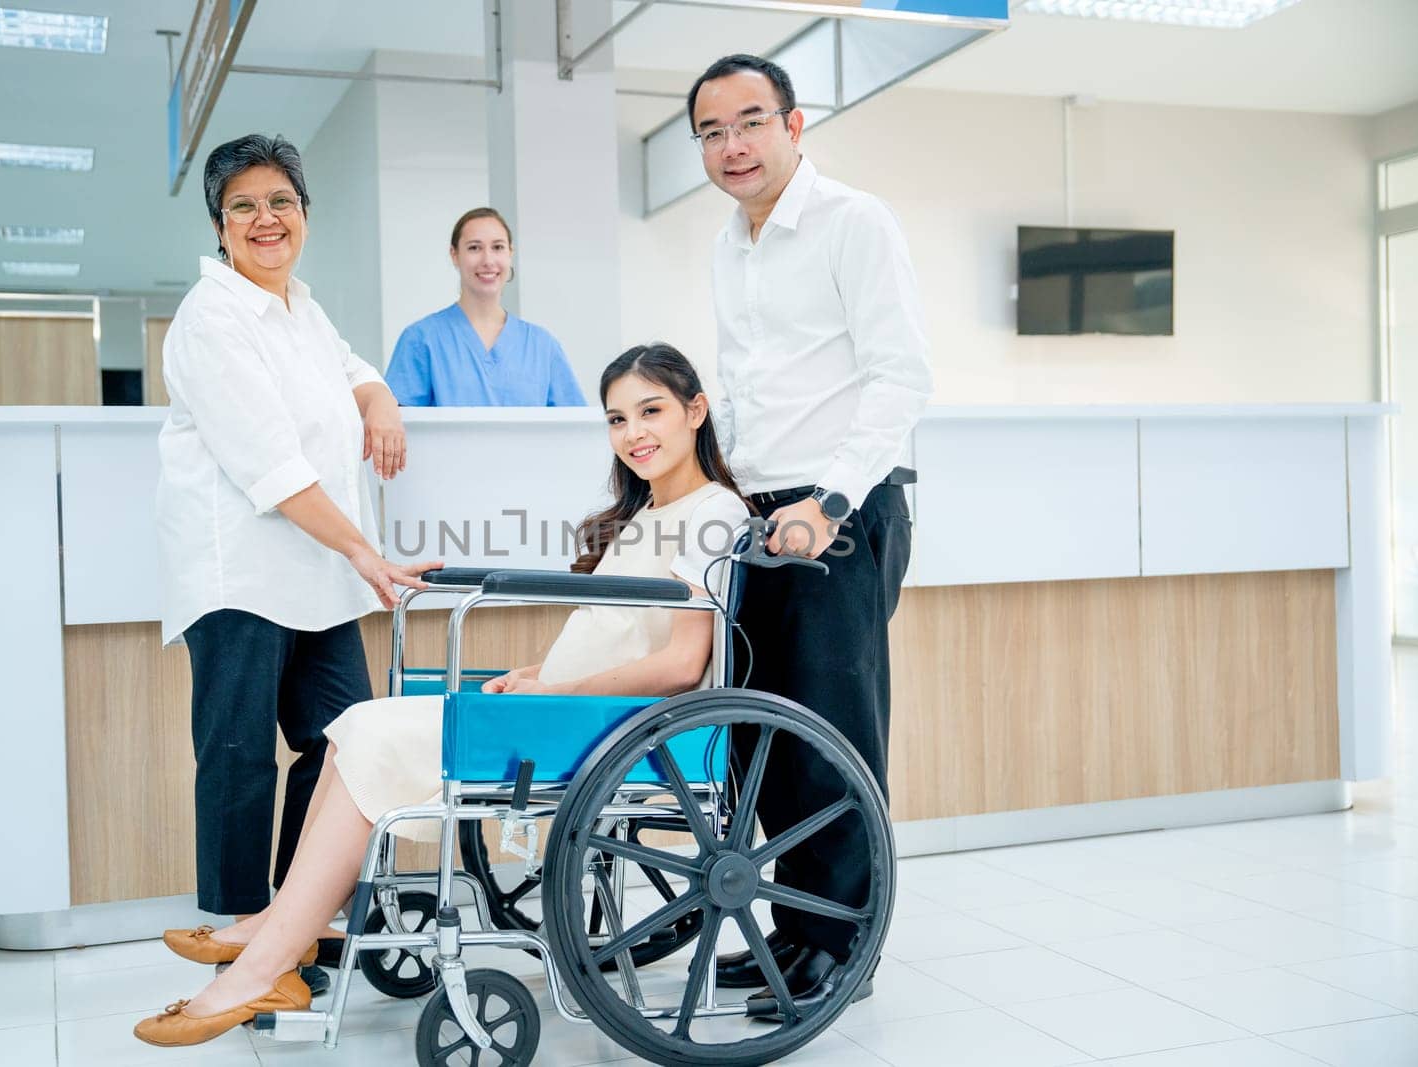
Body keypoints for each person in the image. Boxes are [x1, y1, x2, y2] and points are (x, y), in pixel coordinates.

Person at [134, 343, 750, 1046]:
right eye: (617, 419)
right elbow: (613, 634)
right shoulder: (642, 513)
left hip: (606, 725)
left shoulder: (713, 513)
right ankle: (284, 933)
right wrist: (534, 676)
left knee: (374, 733)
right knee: (353, 723)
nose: (634, 432)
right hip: (563, 707)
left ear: (695, 411)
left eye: (652, 411)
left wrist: (557, 688)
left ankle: (265, 959)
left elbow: (678, 663)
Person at [686, 55, 932, 1012]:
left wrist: (826, 502)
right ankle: (792, 927)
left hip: (835, 510)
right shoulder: (727, 245)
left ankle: (844, 948)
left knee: (831, 735)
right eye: (712, 131)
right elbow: (746, 393)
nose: (732, 145)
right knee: (764, 739)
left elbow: (900, 376)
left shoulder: (853, 222)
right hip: (756, 515)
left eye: (751, 122)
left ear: (795, 126)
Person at [156, 134, 438, 947]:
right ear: (219, 226)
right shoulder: (212, 318)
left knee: (343, 743)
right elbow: (272, 471)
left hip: (315, 572)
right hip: (240, 574)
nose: (265, 218)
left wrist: (379, 400)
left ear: (305, 215)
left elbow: (352, 365)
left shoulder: (300, 308)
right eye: (243, 205)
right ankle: (242, 933)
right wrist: (366, 552)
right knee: (240, 755)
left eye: (280, 201)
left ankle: (297, 911)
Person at [384, 207, 587, 406]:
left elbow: (573, 430)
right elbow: (398, 428)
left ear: (510, 253)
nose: (488, 260)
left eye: (498, 247)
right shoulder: (421, 339)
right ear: (454, 255)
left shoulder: (542, 346)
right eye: (474, 248)